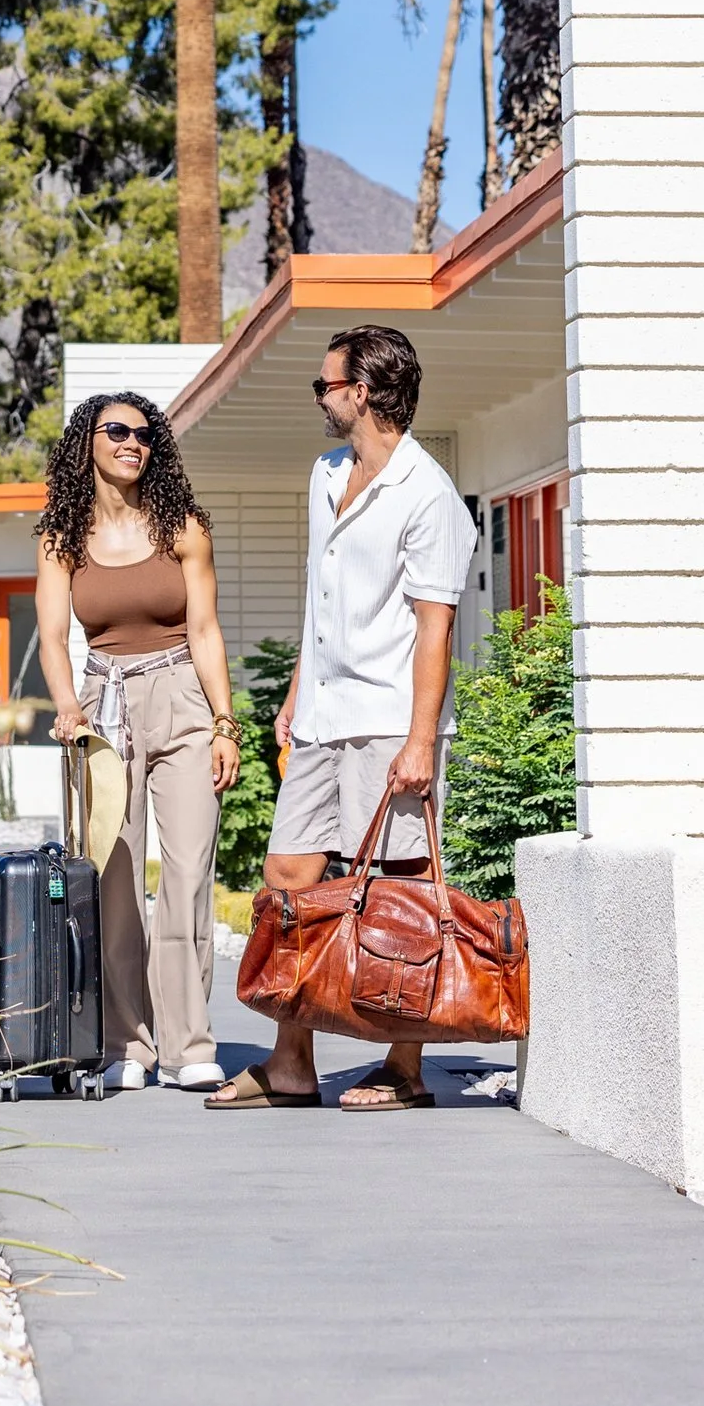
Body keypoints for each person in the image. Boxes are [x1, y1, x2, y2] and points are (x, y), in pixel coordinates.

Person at [209, 323, 477, 1113]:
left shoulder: (428, 495)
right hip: (325, 716)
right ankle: (291, 1063)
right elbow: (318, 608)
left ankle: (406, 1068)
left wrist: (422, 740)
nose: (319, 399)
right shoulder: (327, 473)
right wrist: (297, 693)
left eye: (325, 385)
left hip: (393, 724)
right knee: (289, 879)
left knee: (404, 891)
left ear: (363, 392)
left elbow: (436, 628)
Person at [33, 389, 241, 1089]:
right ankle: (128, 1043)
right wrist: (67, 706)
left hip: (182, 694)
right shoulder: (62, 538)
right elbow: (52, 637)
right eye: (116, 430)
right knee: (116, 874)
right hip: (101, 705)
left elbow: (207, 631)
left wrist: (223, 722)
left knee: (187, 873)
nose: (132, 442)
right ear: (85, 442)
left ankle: (188, 1046)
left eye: (145, 434)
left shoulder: (182, 527)